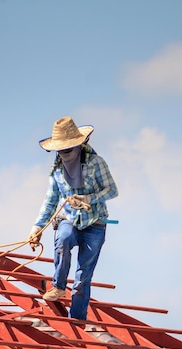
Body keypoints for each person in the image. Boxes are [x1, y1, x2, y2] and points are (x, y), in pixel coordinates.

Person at [29, 116, 118, 321]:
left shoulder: (96, 163)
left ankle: (77, 320)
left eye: (68, 149)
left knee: (83, 278)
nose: (64, 154)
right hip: (69, 219)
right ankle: (58, 287)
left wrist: (89, 198)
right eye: (60, 150)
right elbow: (51, 200)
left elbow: (111, 190)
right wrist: (37, 228)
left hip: (95, 224)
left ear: (80, 145)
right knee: (63, 239)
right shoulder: (57, 170)